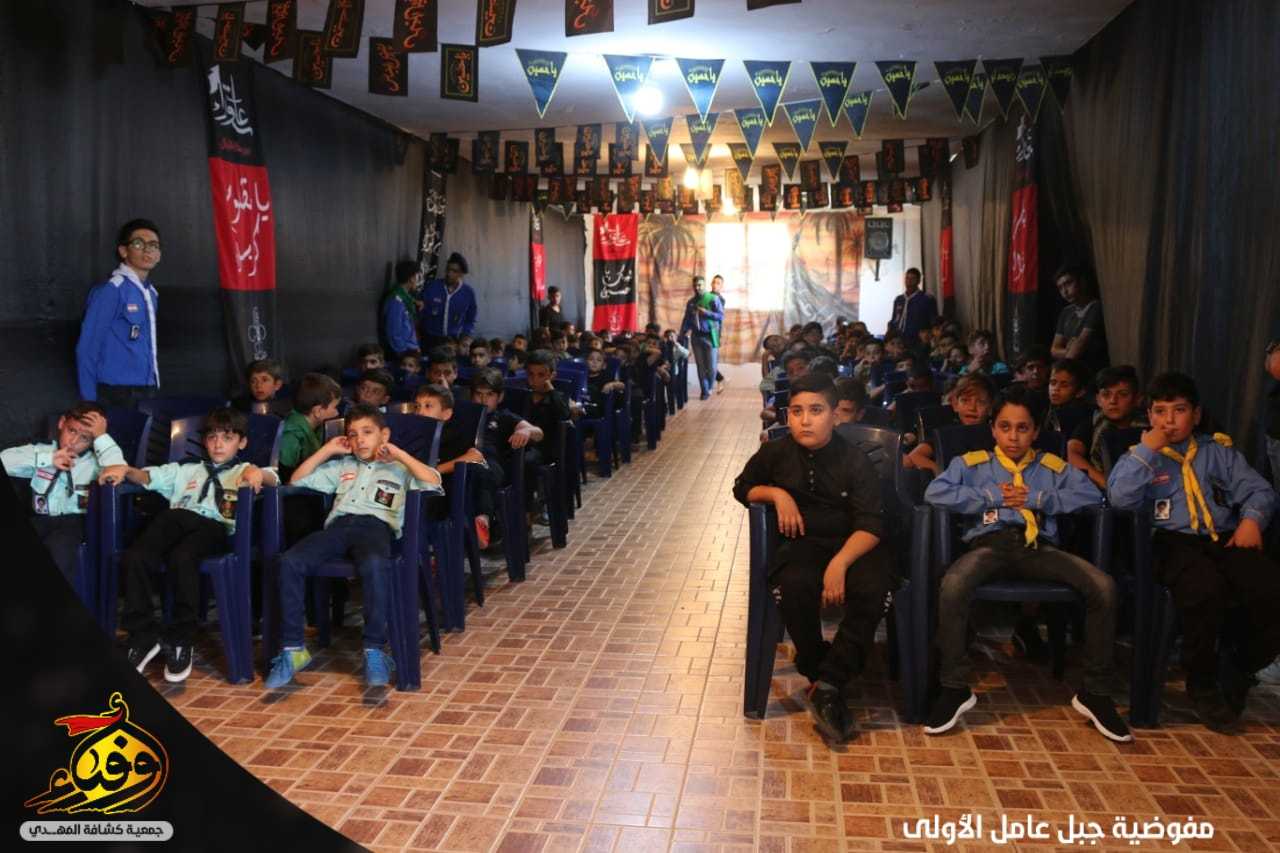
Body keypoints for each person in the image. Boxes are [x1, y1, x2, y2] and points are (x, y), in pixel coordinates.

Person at [923, 385, 1129, 741]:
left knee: (1103, 587)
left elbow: (1090, 495)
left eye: (1022, 428)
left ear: (1035, 432)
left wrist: (1039, 498)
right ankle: (954, 687)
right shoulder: (971, 464)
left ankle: (1096, 692)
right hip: (989, 546)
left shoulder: (1051, 467)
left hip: (1038, 548)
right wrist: (989, 496)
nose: (1013, 437)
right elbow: (935, 492)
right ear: (993, 429)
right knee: (953, 585)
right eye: (1005, 427)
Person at [1107, 371, 1280, 733]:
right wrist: (1147, 450)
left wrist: (1252, 520)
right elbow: (1119, 497)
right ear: (1149, 416)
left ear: (1196, 415)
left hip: (1224, 538)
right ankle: (1201, 681)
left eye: (1179, 410)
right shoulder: (1140, 457)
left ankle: (1240, 664)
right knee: (1204, 589)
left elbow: (1259, 490)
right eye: (1160, 411)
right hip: (1172, 542)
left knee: (1269, 587)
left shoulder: (1218, 452)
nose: (1169, 420)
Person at [732, 372, 894, 743]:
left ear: (835, 416)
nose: (805, 420)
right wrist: (777, 494)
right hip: (804, 544)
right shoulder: (775, 453)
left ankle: (829, 681)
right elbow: (742, 488)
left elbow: (871, 524)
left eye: (816, 411)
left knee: (874, 588)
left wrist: (840, 563)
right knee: (793, 583)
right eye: (796, 411)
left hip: (856, 543)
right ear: (787, 415)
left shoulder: (854, 459)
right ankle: (821, 673)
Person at [266, 405, 442, 689]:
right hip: (337, 528)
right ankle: (293, 648)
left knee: (374, 565)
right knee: (289, 561)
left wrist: (398, 454)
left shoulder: (400, 468)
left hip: (375, 528)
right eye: (353, 434)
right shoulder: (343, 466)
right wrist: (327, 450)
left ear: (384, 435)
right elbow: (296, 480)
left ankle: (374, 649)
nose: (360, 439)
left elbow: (433, 482)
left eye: (367, 432)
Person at [118, 407, 277, 682]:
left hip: (214, 530)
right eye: (212, 437)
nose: (218, 444)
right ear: (205, 441)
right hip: (175, 523)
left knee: (182, 557)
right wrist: (125, 470)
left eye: (227, 438)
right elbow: (148, 477)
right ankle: (142, 635)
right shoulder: (186, 469)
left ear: (241, 443)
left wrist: (257, 474)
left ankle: (181, 638)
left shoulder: (243, 470)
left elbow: (274, 478)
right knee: (136, 556)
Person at [2, 403, 126, 581]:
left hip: (73, 523)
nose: (73, 442)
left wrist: (102, 436)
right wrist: (47, 459)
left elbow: (118, 469)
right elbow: (5, 460)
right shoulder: (41, 450)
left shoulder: (96, 463)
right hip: (39, 519)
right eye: (72, 431)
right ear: (61, 423)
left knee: (58, 551)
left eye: (85, 438)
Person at [76, 219, 163, 407]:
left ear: (159, 255)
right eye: (139, 244)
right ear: (123, 251)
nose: (147, 250)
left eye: (153, 245)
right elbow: (87, 348)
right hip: (115, 391)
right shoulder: (111, 290)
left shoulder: (151, 293)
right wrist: (89, 402)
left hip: (147, 388)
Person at [413, 384, 493, 547]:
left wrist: (434, 471)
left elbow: (476, 456)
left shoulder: (453, 434)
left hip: (443, 492)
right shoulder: (412, 434)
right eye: (417, 406)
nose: (420, 412)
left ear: (446, 414)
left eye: (428, 406)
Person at [1067, 365, 1146, 489]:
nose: (1113, 401)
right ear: (1098, 400)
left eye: (1123, 394)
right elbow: (1072, 453)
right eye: (1106, 395)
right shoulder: (1092, 423)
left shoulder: (1149, 425)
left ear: (1137, 399)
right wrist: (1107, 485)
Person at [903, 373, 997, 477]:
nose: (972, 408)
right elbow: (915, 455)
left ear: (990, 407)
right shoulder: (946, 434)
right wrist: (946, 475)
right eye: (965, 400)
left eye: (980, 402)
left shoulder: (997, 433)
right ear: (956, 405)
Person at [1050, 265, 1108, 378]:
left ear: (1081, 282)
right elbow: (1054, 350)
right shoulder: (1066, 312)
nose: (1065, 291)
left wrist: (1068, 351)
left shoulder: (1095, 307)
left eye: (1068, 283)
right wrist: (1069, 349)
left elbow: (1079, 346)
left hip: (1092, 372)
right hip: (1073, 373)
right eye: (1060, 288)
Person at [679, 276, 725, 401]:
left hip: (710, 336)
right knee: (700, 366)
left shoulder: (713, 299)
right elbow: (686, 319)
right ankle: (704, 391)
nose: (697, 287)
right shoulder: (691, 302)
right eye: (695, 285)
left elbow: (720, 316)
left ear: (704, 285)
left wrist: (706, 313)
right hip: (696, 337)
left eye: (699, 285)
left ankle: (709, 387)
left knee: (712, 367)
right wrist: (682, 333)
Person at [420, 252, 477, 351]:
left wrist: (465, 335)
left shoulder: (468, 293)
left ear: (461, 274)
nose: (449, 274)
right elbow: (420, 311)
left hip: (453, 341)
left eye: (454, 271)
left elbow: (471, 318)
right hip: (429, 339)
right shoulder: (432, 287)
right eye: (448, 269)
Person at [381, 260, 423, 358]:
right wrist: (403, 353)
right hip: (404, 353)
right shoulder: (396, 302)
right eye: (418, 277)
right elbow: (393, 333)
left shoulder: (405, 297)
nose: (418, 280)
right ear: (412, 278)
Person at [887, 268, 938, 344]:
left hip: (917, 340)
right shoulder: (899, 299)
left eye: (913, 279)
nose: (909, 281)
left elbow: (933, 321)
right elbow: (895, 318)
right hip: (898, 340)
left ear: (918, 281)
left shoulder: (927, 299)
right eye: (907, 278)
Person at [1044, 358, 1092, 435]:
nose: (1056, 389)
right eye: (1053, 383)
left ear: (1080, 392)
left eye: (1064, 385)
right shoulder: (1046, 407)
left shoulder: (1080, 415)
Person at [710, 274, 728, 393]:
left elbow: (719, 319)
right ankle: (718, 380)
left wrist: (719, 335)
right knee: (706, 361)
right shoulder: (705, 296)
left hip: (714, 332)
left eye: (718, 283)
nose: (715, 285)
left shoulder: (720, 299)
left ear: (722, 286)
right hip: (703, 331)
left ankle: (719, 379)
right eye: (713, 282)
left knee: (711, 360)